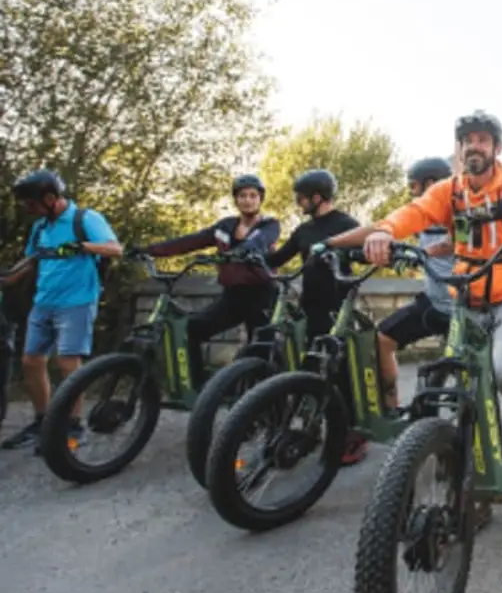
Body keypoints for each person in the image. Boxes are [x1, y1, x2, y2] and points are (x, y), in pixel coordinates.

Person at [323, 110, 502, 495]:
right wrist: (385, 231)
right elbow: (415, 213)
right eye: (467, 140)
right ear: (460, 148)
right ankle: (465, 457)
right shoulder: (448, 191)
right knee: (459, 373)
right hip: (466, 298)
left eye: (482, 140)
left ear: (497, 148)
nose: (474, 146)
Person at [1, 169, 123, 451]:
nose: (27, 208)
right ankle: (42, 421)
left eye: (30, 203)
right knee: (31, 361)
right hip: (44, 301)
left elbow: (115, 249)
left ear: (49, 198)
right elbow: (31, 261)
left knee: (68, 363)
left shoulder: (85, 219)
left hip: (77, 302)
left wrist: (80, 246)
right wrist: (7, 278)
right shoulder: (41, 227)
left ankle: (73, 425)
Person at [130, 174, 280, 387]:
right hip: (233, 296)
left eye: (253, 196)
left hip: (262, 294)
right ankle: (199, 390)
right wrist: (149, 250)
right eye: (242, 196)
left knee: (260, 348)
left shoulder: (269, 225)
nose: (248, 200)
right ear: (236, 200)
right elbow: (191, 241)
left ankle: (266, 398)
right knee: (192, 330)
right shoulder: (225, 227)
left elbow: (259, 241)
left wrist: (242, 250)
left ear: (260, 199)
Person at [371, 157, 456, 415]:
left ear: (430, 184)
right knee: (383, 339)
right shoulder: (422, 216)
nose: (411, 191)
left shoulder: (459, 209)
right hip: (433, 303)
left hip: (464, 307)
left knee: (470, 367)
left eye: (413, 186)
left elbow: (457, 242)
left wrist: (426, 252)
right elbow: (396, 228)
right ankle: (391, 406)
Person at [264, 169, 361, 341]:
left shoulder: (347, 225)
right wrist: (254, 253)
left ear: (316, 198)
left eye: (301, 198)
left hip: (338, 305)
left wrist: (341, 254)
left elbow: (365, 255)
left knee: (336, 351)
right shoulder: (304, 230)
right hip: (310, 304)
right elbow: (278, 258)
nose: (298, 203)